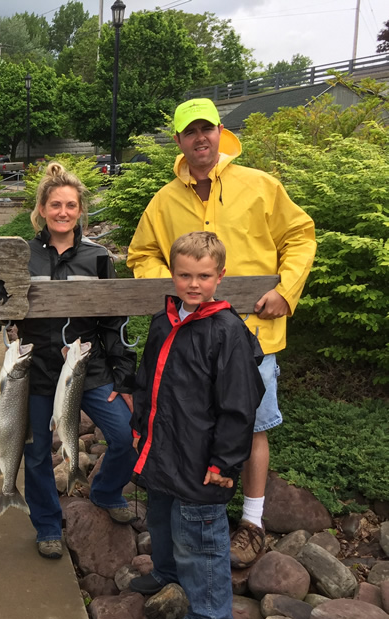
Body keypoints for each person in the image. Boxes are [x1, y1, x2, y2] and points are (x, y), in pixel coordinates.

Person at [128, 98, 316, 568]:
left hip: (254, 335)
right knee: (192, 426)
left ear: (220, 131)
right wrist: (175, 295)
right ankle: (196, 515)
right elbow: (141, 254)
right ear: (177, 140)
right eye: (189, 132)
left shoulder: (260, 186)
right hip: (188, 343)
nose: (200, 138)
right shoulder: (163, 201)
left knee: (251, 426)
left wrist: (287, 291)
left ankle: (252, 524)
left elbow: (300, 235)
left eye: (206, 129)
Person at [128, 231, 265, 619]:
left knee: (201, 540)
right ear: (172, 274)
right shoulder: (162, 322)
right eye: (185, 274)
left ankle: (211, 618)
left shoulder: (227, 332)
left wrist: (225, 463)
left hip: (201, 459)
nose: (193, 284)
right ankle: (167, 574)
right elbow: (146, 382)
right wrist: (139, 430)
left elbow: (240, 406)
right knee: (162, 521)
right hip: (162, 451)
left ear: (220, 276)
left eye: (203, 276)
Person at [16, 162, 138, 560]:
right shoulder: (22, 256)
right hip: (37, 369)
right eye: (55, 205)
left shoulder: (99, 257)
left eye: (70, 205)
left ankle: (105, 489)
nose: (63, 212)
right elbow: (6, 310)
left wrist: (123, 378)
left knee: (124, 435)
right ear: (42, 208)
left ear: (81, 209)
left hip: (91, 367)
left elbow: (115, 321)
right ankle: (48, 524)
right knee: (35, 452)